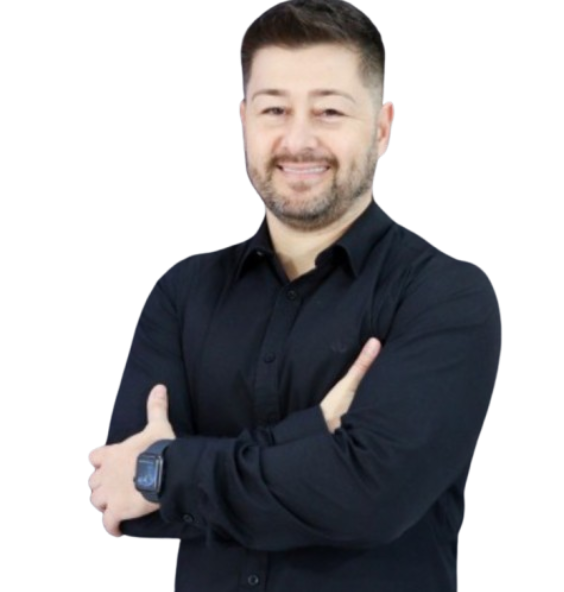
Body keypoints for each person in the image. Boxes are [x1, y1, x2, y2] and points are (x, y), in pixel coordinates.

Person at [86, 1, 503, 590]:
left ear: (382, 128)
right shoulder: (181, 292)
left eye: (329, 110)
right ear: (243, 121)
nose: (298, 140)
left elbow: (368, 500)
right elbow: (122, 499)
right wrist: (314, 436)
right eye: (275, 109)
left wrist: (169, 472)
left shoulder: (445, 295)